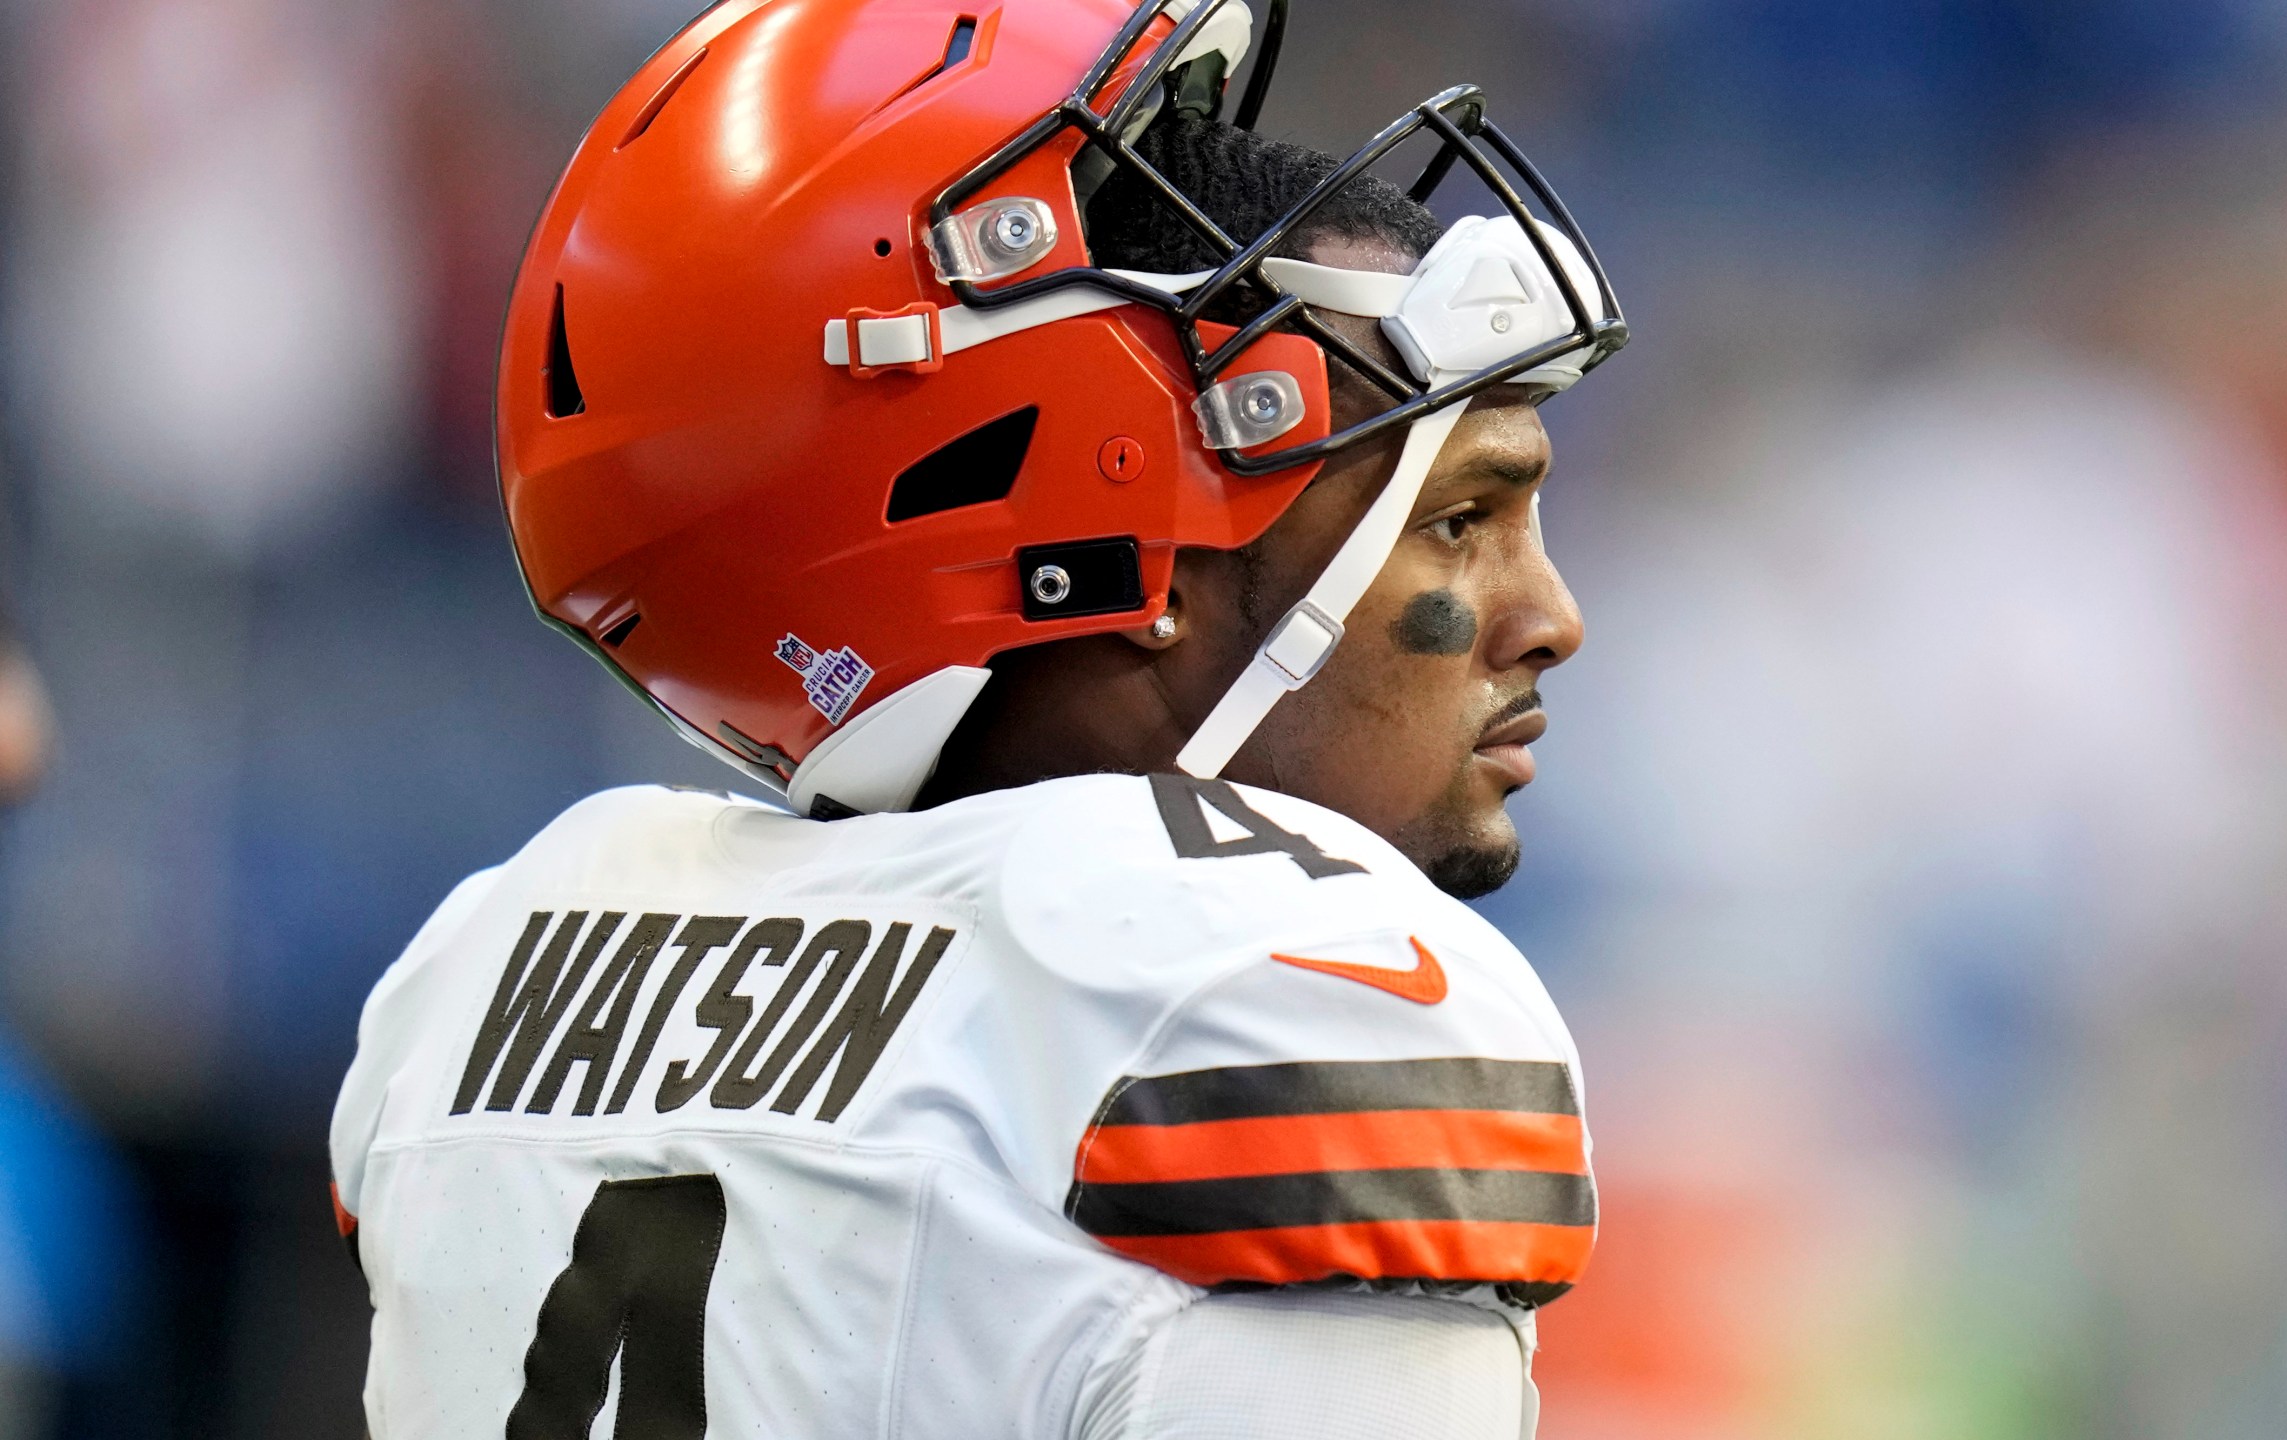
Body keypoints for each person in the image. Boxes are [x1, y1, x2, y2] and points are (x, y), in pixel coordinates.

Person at [329, 0, 1627, 1433]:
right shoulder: (1271, 996)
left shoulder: (485, 967)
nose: (1548, 616)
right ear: (1127, 557)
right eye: (1457, 518)